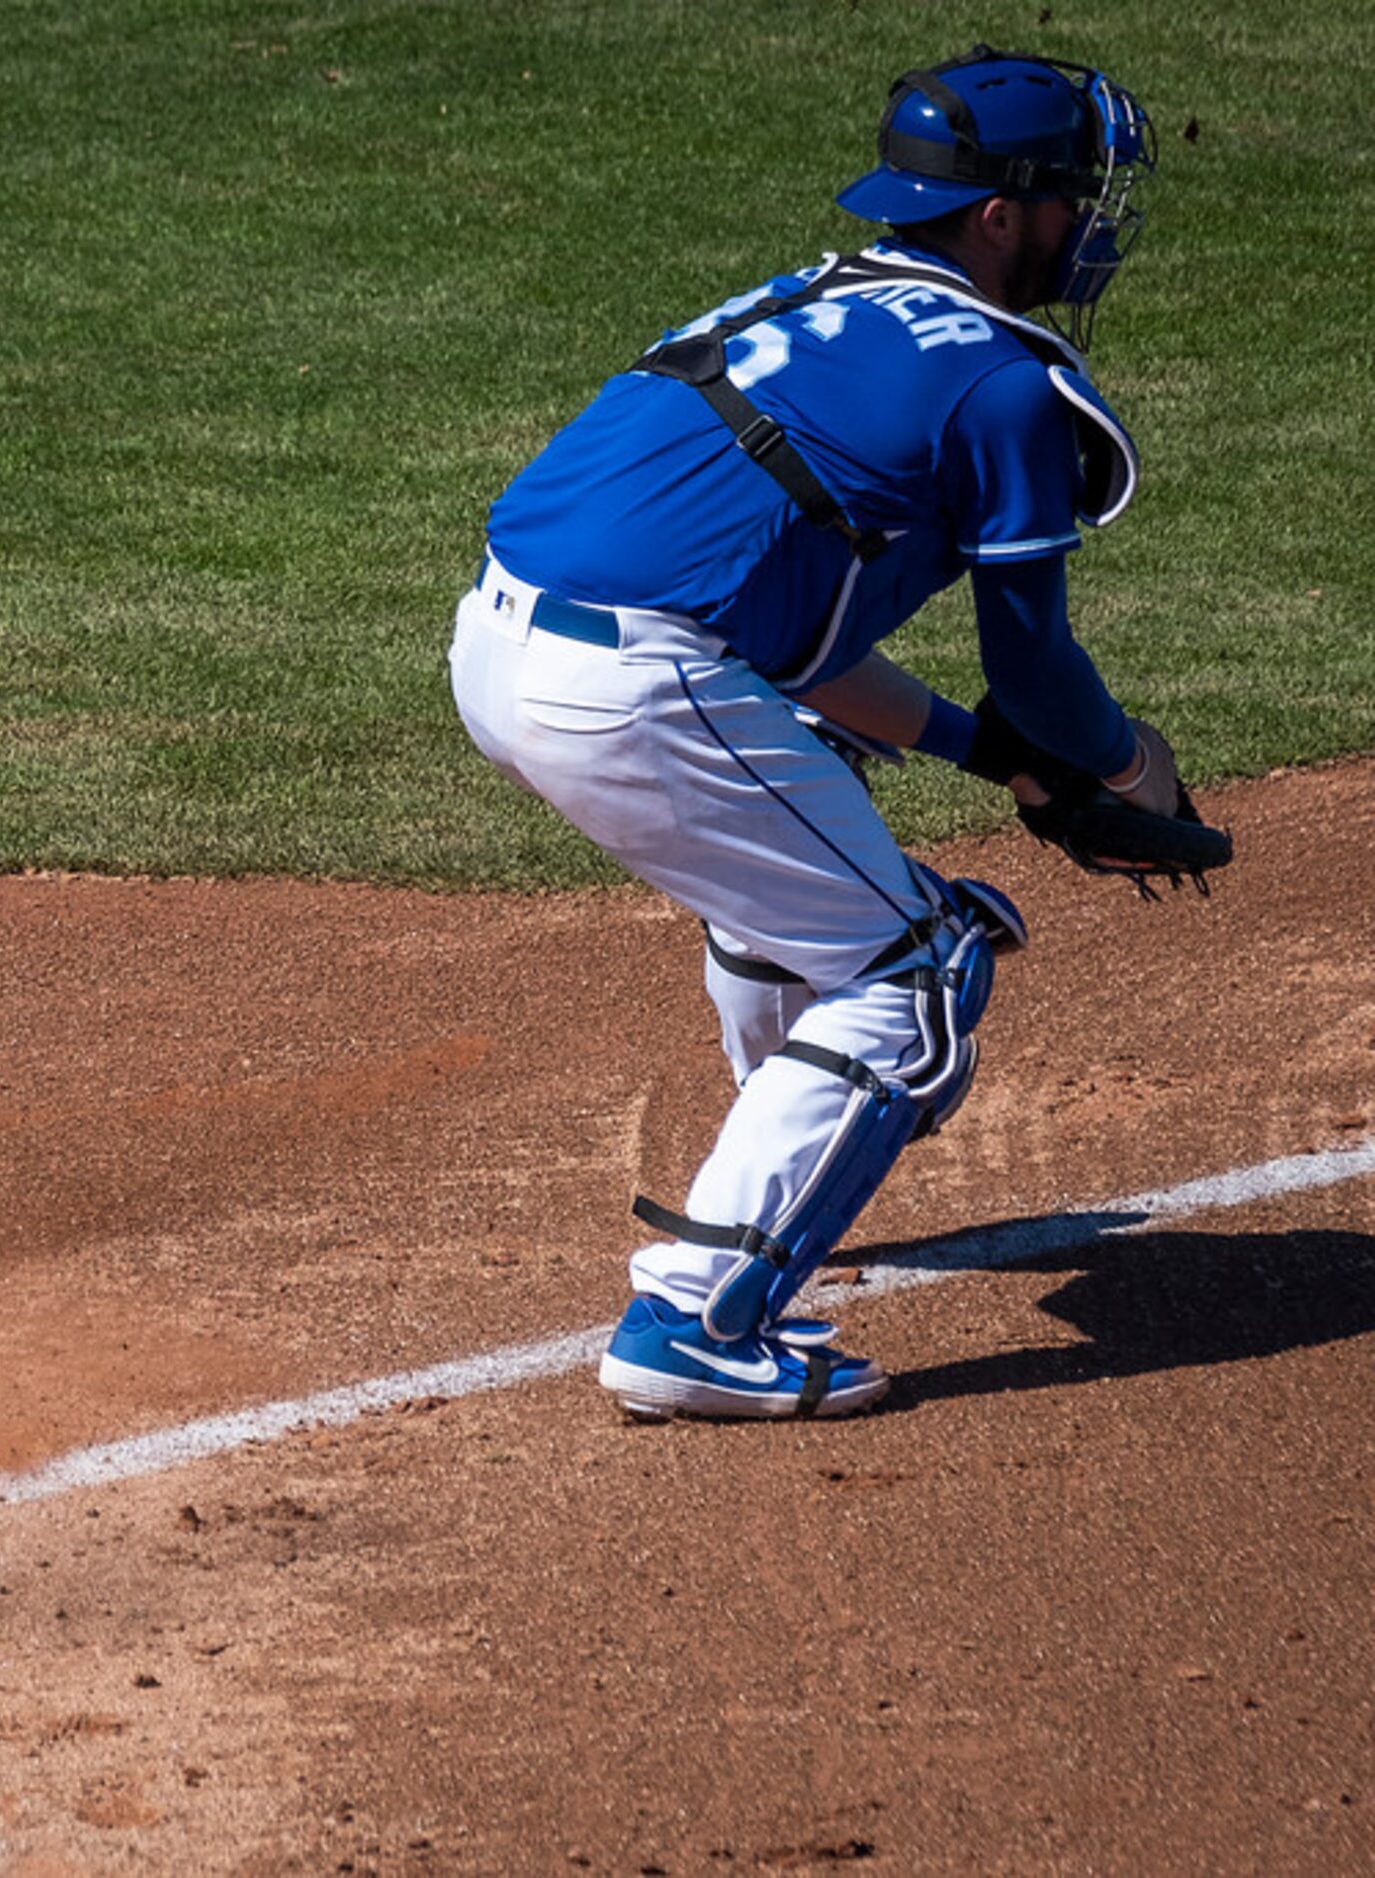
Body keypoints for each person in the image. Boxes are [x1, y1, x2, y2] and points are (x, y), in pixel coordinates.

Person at [448, 48, 1171, 1418]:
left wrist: (995, 762)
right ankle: (694, 1323)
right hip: (637, 685)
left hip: (503, 644)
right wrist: (1124, 767)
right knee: (919, 969)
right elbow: (1041, 661)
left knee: (808, 869)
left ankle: (779, 1152)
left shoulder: (824, 296)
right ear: (1000, 215)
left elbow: (804, 644)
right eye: (1074, 193)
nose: (1093, 222)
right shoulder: (1002, 384)